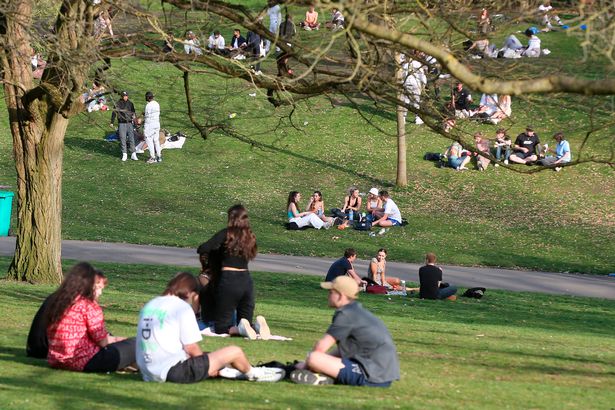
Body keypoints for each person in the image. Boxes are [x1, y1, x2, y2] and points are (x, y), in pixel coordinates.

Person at [136, 272, 284, 383]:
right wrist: (206, 367)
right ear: (191, 294)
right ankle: (255, 374)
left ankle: (229, 370)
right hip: (172, 372)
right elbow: (192, 348)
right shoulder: (181, 308)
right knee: (234, 351)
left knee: (213, 356)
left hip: (148, 371)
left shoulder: (150, 305)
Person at [290, 276, 400, 387]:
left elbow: (320, 347)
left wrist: (306, 366)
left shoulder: (346, 315)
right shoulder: (355, 311)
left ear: (340, 296)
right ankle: (325, 377)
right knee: (318, 359)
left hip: (372, 376)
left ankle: (325, 377)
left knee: (314, 358)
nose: (328, 295)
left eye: (331, 292)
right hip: (382, 375)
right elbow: (341, 351)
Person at [45, 262, 136, 372]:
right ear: (88, 285)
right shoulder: (88, 306)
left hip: (57, 360)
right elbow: (103, 342)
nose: (100, 293)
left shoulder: (58, 302)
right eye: (98, 288)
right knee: (136, 344)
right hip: (85, 361)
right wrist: (125, 341)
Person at [196, 204, 270, 339]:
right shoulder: (250, 236)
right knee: (244, 321)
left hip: (229, 280)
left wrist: (216, 253)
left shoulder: (226, 233)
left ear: (231, 218)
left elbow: (203, 248)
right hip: (247, 280)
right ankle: (255, 326)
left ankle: (240, 329)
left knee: (221, 327)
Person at [27, 266, 108, 359]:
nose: (100, 293)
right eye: (97, 287)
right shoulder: (75, 302)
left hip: (37, 346)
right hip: (48, 348)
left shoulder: (61, 297)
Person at [110, 91, 137, 162]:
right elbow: (114, 113)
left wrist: (135, 120)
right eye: (124, 96)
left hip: (129, 123)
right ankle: (124, 154)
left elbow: (133, 112)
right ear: (122, 96)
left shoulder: (130, 104)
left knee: (131, 138)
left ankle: (133, 153)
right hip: (121, 123)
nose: (126, 97)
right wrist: (112, 122)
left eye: (126, 96)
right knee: (123, 139)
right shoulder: (118, 103)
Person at [401, 51, 428, 125]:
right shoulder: (418, 64)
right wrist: (424, 85)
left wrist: (402, 83)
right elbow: (422, 76)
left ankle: (403, 119)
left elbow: (402, 76)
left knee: (406, 102)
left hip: (406, 84)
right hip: (415, 85)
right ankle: (417, 119)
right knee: (416, 102)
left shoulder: (405, 65)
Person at [143, 91, 162, 164]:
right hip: (157, 124)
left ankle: (152, 157)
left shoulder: (148, 105)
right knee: (156, 140)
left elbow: (147, 116)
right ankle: (159, 156)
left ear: (148, 97)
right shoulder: (157, 104)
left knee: (149, 140)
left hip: (150, 125)